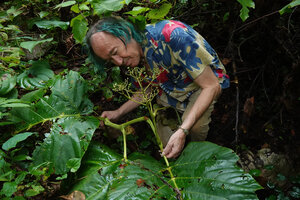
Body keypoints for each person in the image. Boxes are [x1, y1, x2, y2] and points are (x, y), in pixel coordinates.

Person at [85, 17, 230, 159]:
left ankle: (200, 158)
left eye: (115, 52)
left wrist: (183, 130)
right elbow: (147, 90)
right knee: (166, 147)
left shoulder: (173, 35)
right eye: (110, 60)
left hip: (201, 85)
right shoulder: (134, 58)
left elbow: (211, 86)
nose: (118, 62)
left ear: (127, 32)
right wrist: (118, 112)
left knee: (194, 128)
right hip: (170, 91)